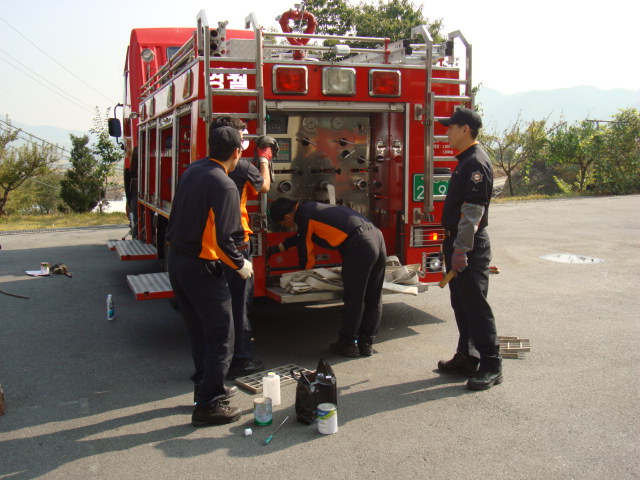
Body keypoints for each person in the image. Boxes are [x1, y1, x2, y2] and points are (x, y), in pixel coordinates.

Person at [166, 126, 253, 426]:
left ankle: (204, 388)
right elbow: (225, 239)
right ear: (237, 152)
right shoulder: (225, 184)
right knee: (222, 335)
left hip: (177, 261)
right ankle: (210, 405)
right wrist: (241, 265)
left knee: (199, 332)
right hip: (201, 266)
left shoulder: (192, 170)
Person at [436, 107, 503, 390]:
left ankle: (492, 365)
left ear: (465, 129)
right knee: (462, 304)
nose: (446, 133)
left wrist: (461, 249)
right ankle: (467, 357)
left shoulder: (475, 163)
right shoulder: (465, 160)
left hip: (469, 246)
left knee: (476, 307)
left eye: (451, 127)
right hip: (458, 242)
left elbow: (473, 211)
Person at [269, 199, 386, 357]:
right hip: (376, 236)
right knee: (374, 296)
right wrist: (278, 248)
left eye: (283, 224)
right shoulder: (310, 208)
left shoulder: (303, 215)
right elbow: (301, 236)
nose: (286, 227)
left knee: (355, 297)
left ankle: (348, 343)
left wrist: (306, 275)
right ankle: (367, 342)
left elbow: (304, 246)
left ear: (287, 217)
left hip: (360, 244)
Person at [210, 116, 275, 379]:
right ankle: (241, 359)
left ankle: (218, 359)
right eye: (242, 135)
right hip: (236, 243)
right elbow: (265, 186)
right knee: (240, 304)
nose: (245, 138)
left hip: (210, 245)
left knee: (218, 303)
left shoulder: (204, 166)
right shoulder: (243, 166)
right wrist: (265, 158)